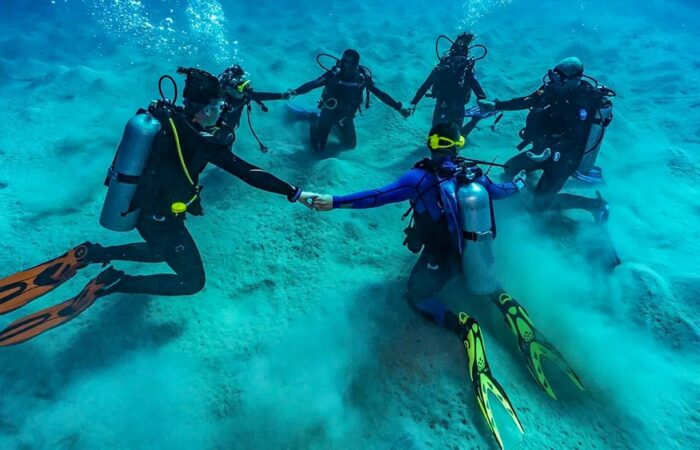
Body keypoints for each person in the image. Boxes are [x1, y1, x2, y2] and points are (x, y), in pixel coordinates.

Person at [311, 123, 583, 450]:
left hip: (442, 259)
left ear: (432, 146)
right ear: (458, 145)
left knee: (416, 295)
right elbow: (503, 192)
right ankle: (502, 300)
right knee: (484, 283)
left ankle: (465, 326)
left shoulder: (418, 179)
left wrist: (334, 201)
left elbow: (377, 197)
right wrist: (521, 181)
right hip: (476, 255)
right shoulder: (474, 176)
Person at [0, 67, 316, 346]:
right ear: (204, 107)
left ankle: (95, 254)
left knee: (158, 252)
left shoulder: (167, 123)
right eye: (218, 105)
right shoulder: (201, 141)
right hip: (160, 220)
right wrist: (294, 192)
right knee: (192, 281)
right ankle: (110, 284)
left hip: (142, 211)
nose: (222, 109)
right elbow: (248, 172)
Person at [478, 57, 615, 221]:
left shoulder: (583, 103)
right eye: (553, 75)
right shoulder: (552, 89)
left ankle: (594, 205)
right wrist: (497, 105)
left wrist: (550, 153)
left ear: (575, 79)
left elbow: (575, 140)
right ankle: (537, 181)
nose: (553, 81)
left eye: (560, 78)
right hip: (541, 151)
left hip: (564, 160)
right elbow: (528, 100)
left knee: (538, 205)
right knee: (510, 167)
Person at [286, 49, 411, 151]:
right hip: (328, 114)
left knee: (350, 146)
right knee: (318, 149)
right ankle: (313, 118)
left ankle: (334, 126)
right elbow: (313, 84)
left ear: (355, 65)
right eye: (342, 59)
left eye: (345, 61)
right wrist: (295, 92)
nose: (340, 63)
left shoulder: (361, 78)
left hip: (346, 117)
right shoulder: (334, 75)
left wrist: (398, 107)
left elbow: (379, 93)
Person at [408, 32, 489, 136]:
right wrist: (482, 100)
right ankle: (474, 120)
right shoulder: (466, 69)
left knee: (436, 135)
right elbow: (477, 88)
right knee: (455, 137)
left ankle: (473, 121)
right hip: (457, 105)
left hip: (442, 102)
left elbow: (425, 86)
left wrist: (413, 103)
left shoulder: (441, 67)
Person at [216, 64, 290, 153]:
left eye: (243, 82)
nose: (245, 88)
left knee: (227, 139)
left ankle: (226, 158)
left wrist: (281, 96)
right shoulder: (220, 94)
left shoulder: (245, 94)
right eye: (239, 84)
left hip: (228, 129)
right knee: (223, 138)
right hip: (219, 126)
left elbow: (260, 96)